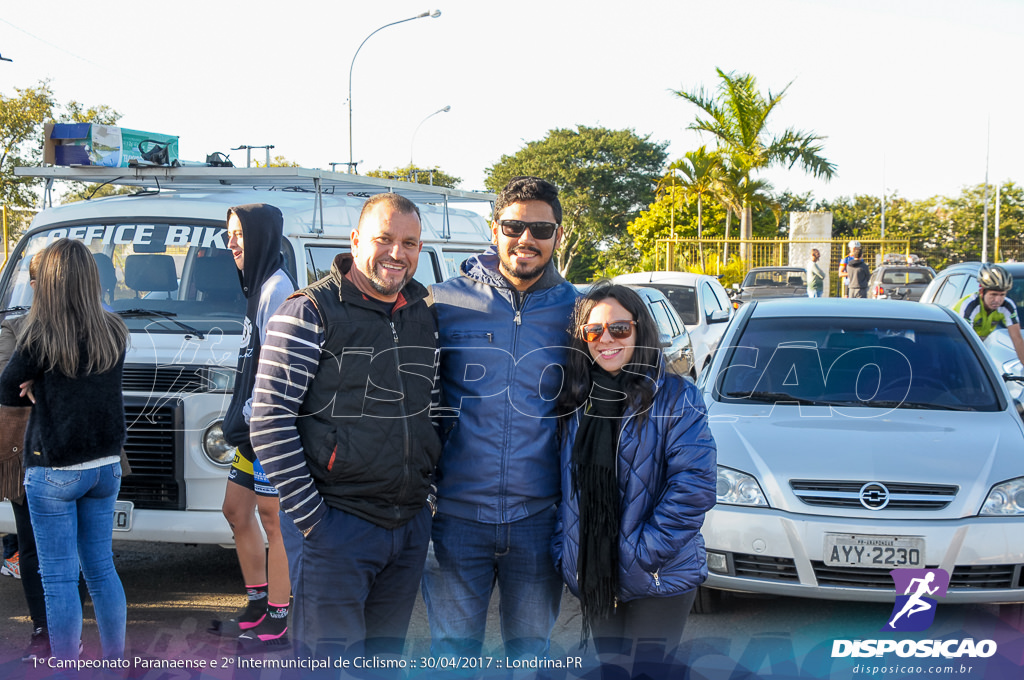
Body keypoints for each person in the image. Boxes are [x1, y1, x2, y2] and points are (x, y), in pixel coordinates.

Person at [249, 193, 440, 658]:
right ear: (355, 241)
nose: (398, 253)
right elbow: (269, 422)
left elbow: (433, 409)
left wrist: (426, 501)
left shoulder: (423, 315)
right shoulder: (308, 311)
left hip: (407, 526)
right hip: (336, 528)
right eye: (384, 239)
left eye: (410, 243)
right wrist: (314, 521)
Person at [424, 176, 579, 660]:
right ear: (495, 229)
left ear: (557, 234)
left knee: (531, 652)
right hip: (454, 516)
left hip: (538, 516)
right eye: (514, 226)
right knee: (452, 652)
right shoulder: (443, 302)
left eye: (540, 228)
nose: (526, 239)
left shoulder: (577, 310)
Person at [553, 283, 717, 673]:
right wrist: (567, 549)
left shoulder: (677, 397)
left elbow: (694, 486)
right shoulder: (576, 401)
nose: (605, 339)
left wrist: (640, 551)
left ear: (640, 329)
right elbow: (562, 487)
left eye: (619, 329)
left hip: (656, 574)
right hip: (597, 573)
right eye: (593, 332)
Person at [0, 238, 130, 661]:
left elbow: (7, 386)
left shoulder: (39, 334)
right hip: (106, 466)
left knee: (58, 578)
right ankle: (115, 662)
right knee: (101, 569)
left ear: (50, 282)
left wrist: (34, 384)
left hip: (55, 469)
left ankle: (66, 666)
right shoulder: (115, 329)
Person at [212, 204, 295, 649]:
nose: (232, 242)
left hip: (270, 430)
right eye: (229, 234)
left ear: (262, 237)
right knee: (235, 510)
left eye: (240, 233)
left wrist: (256, 420)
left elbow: (280, 376)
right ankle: (259, 599)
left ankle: (279, 617)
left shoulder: (277, 289)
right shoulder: (257, 287)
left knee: (273, 520)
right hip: (248, 430)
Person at [0, 252, 51, 661]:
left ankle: (64, 635)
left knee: (91, 553)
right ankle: (42, 630)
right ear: (33, 285)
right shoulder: (14, 327)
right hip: (28, 457)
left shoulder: (101, 325)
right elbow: (8, 385)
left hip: (83, 454)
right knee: (33, 550)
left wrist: (40, 380)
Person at [953, 263, 1024, 365]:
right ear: (982, 292)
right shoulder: (970, 306)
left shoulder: (1007, 305)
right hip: (955, 342)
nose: (998, 300)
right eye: (993, 294)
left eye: (1002, 295)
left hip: (978, 344)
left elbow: (1017, 339)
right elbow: (964, 340)